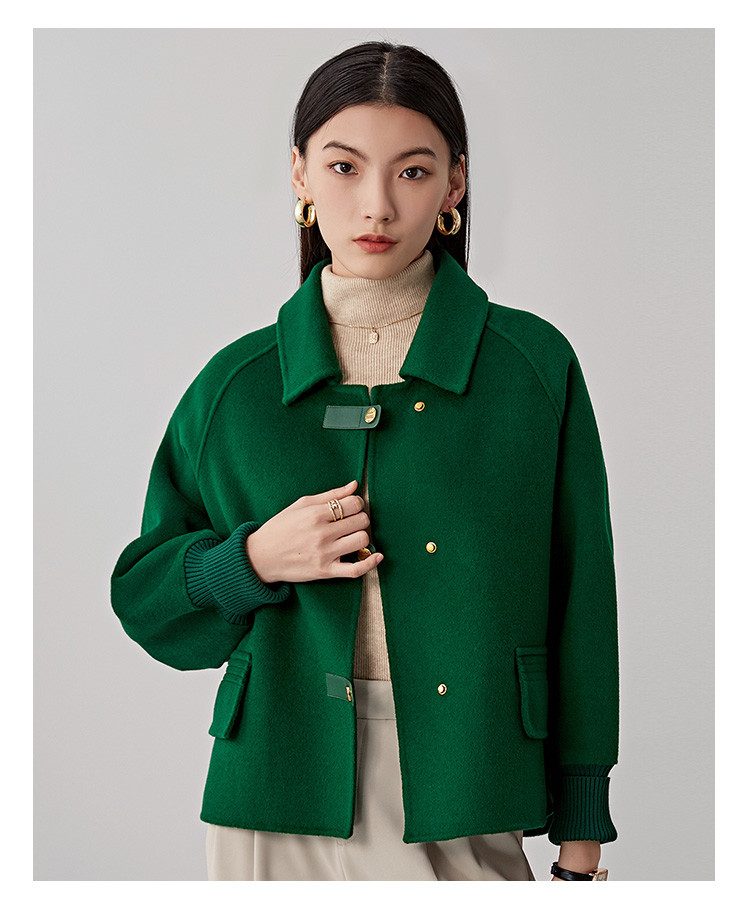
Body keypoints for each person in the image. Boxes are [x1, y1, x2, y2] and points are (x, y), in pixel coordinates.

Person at [111, 41, 619, 882]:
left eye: (413, 171)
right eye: (344, 167)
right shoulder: (238, 386)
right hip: (276, 797)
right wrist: (252, 559)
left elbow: (583, 602)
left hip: (467, 781)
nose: (376, 204)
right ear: (301, 175)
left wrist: (582, 834)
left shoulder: (530, 370)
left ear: (455, 183)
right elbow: (145, 599)